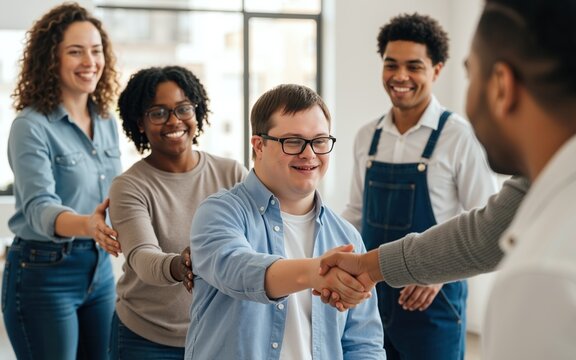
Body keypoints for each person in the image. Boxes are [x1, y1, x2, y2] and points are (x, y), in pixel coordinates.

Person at [323, 0, 576, 358]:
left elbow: (486, 224)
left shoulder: (550, 279)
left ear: (501, 85)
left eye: (470, 73)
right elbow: (490, 227)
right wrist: (366, 266)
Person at [185, 84, 385, 359]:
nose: (309, 153)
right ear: (259, 145)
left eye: (320, 141)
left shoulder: (346, 237)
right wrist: (316, 272)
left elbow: (364, 343)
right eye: (293, 141)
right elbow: (237, 269)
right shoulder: (219, 213)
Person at [341, 13, 497, 359]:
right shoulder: (367, 136)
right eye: (391, 64)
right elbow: (356, 213)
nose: (400, 76)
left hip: (432, 303)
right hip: (372, 299)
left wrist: (438, 273)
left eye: (414, 66)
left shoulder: (459, 137)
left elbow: (484, 223)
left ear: (436, 70)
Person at [2, 3, 121, 359]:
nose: (90, 61)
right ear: (50, 58)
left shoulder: (105, 120)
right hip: (43, 272)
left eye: (96, 51)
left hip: (98, 269)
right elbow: (39, 208)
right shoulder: (31, 126)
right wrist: (89, 224)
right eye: (75, 51)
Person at [107, 66, 247, 359]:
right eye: (158, 113)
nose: (174, 121)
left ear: (196, 112)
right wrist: (181, 265)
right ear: (140, 123)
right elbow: (142, 258)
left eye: (183, 109)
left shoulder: (232, 173)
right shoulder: (129, 186)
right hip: (146, 338)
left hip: (218, 332)